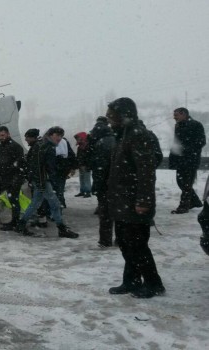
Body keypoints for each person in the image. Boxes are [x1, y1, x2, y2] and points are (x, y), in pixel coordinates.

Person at [105, 97, 165, 298]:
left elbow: (146, 172)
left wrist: (143, 201)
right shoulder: (123, 135)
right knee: (124, 242)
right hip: (122, 201)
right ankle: (130, 280)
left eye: (112, 116)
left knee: (137, 245)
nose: (109, 120)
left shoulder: (138, 135)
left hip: (134, 202)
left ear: (124, 115)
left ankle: (153, 283)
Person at [17, 127, 79, 238]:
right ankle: (61, 229)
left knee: (35, 203)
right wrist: (41, 183)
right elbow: (38, 167)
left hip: (41, 180)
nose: (59, 137)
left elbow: (43, 166)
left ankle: (21, 224)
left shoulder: (44, 145)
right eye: (57, 135)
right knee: (55, 204)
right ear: (51, 134)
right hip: (42, 181)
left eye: (61, 135)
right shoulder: (44, 146)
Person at [169, 107, 206, 214]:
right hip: (181, 160)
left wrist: (186, 149)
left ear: (183, 114)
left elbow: (201, 142)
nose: (174, 117)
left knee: (186, 184)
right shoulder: (178, 126)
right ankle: (195, 201)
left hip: (191, 160)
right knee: (181, 182)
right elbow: (176, 142)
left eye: (176, 115)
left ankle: (184, 206)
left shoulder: (196, 125)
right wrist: (174, 153)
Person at [89, 116, 116, 248]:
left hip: (105, 184)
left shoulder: (101, 144)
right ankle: (121, 239)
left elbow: (100, 168)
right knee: (119, 212)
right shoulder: (117, 139)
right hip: (119, 184)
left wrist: (97, 185)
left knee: (105, 214)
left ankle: (105, 240)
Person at [0, 126, 26, 231]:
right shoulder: (0, 147)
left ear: (8, 134)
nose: (1, 137)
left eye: (3, 135)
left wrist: (16, 176)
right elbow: (2, 163)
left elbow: (20, 163)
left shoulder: (16, 147)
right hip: (6, 177)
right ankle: (15, 221)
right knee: (12, 200)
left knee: (14, 200)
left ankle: (16, 222)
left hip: (15, 177)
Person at [53, 128, 77, 208]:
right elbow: (72, 156)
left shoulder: (54, 143)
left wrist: (73, 167)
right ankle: (60, 204)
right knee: (59, 189)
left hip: (58, 170)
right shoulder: (64, 143)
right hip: (61, 170)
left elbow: (71, 156)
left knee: (57, 190)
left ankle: (59, 205)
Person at [73, 132, 92, 198]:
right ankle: (82, 191)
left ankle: (88, 192)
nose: (77, 140)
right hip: (81, 166)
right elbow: (78, 157)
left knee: (86, 178)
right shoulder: (80, 147)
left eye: (78, 138)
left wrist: (87, 165)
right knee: (82, 178)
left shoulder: (88, 146)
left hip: (86, 166)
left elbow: (89, 157)